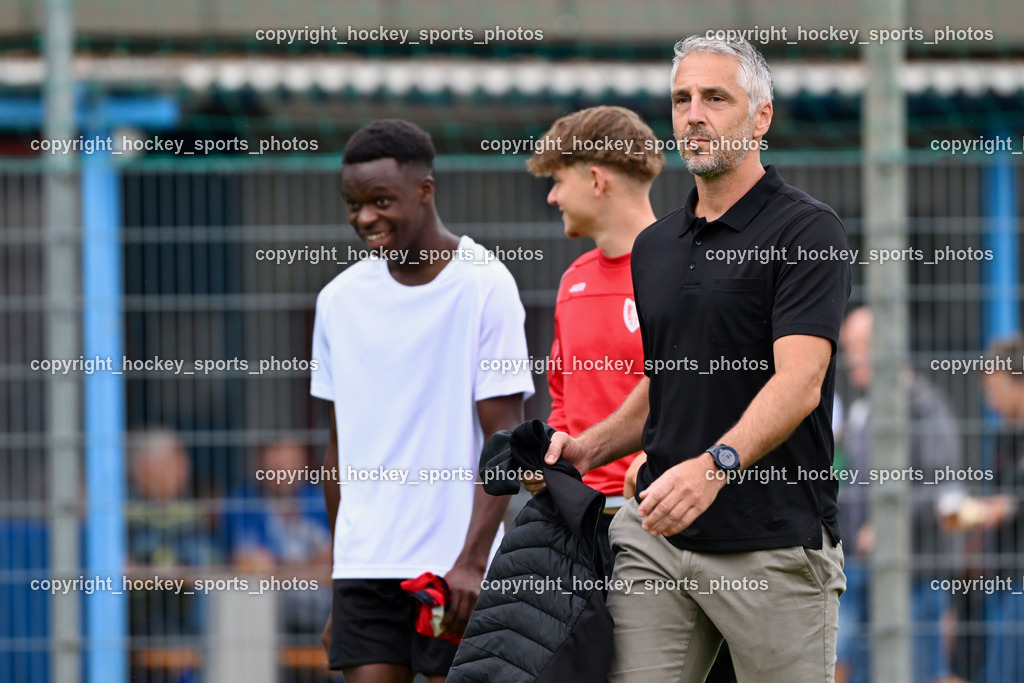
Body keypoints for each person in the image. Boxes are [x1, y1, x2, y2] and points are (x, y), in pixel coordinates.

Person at [543, 34, 851, 682]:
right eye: (681, 99)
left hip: (772, 543)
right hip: (657, 535)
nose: (693, 115)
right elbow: (666, 381)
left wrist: (714, 467)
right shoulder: (655, 245)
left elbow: (800, 382)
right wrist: (588, 448)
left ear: (760, 117)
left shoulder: (807, 230)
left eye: (715, 98)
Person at [310, 119, 533, 683]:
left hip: (453, 568)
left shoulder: (485, 284)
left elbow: (505, 440)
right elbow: (337, 452)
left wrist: (473, 562)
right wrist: (341, 576)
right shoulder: (337, 301)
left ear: (425, 190)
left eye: (381, 201)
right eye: (353, 204)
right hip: (365, 570)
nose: (365, 217)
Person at [527, 105, 737, 682]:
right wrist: (551, 463)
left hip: (668, 523)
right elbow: (564, 398)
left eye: (558, 180)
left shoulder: (691, 268)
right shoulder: (573, 279)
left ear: (596, 179)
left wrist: (661, 457)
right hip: (583, 531)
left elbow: (718, 389)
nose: (552, 197)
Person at [835, 307, 965, 683]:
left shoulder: (926, 409)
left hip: (915, 576)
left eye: (860, 347)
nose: (852, 359)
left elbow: (945, 489)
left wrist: (887, 525)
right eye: (849, 348)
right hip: (865, 575)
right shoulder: (864, 409)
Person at [953, 335, 1024, 682]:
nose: (991, 401)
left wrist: (1005, 507)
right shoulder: (1006, 436)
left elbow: (1007, 501)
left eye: (996, 390)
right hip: (1009, 575)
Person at [221, 439, 333, 634]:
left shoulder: (321, 501)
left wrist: (279, 566)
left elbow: (336, 558)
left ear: (302, 465)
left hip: (323, 607)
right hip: (268, 609)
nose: (280, 475)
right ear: (260, 466)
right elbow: (244, 561)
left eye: (286, 467)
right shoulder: (241, 504)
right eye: (274, 469)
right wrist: (310, 564)